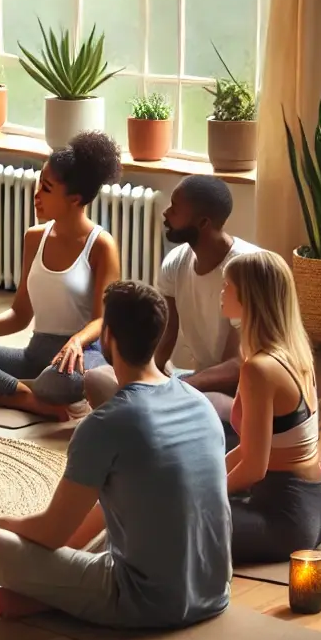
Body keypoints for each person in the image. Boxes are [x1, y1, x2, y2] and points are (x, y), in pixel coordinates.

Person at [0, 281, 231, 627]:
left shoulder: (105, 424)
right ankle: (58, 588)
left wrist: (2, 523)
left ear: (107, 337)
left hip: (147, 602)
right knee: (135, 505)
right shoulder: (199, 402)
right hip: (213, 589)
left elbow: (51, 533)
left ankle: (54, 594)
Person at [0, 131, 122, 420]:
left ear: (74, 199)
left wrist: (76, 341)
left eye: (47, 188)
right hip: (35, 356)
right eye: (38, 183)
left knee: (61, 382)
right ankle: (27, 398)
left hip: (78, 358)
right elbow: (19, 314)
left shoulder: (101, 245)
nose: (36, 194)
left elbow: (102, 319)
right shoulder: (34, 238)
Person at [85, 174, 257, 444]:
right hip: (192, 383)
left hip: (235, 396)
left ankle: (147, 433)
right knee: (97, 379)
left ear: (203, 223)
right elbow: (165, 335)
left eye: (175, 208)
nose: (166, 212)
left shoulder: (245, 269)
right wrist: (145, 377)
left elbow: (238, 366)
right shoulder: (176, 262)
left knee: (200, 406)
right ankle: (151, 432)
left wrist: (179, 387)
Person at [221, 251, 321, 563]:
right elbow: (249, 450)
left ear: (249, 297)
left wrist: (201, 494)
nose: (222, 291)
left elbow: (255, 467)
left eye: (228, 285)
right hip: (310, 507)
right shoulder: (292, 354)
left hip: (283, 520)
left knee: (170, 521)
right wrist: (206, 480)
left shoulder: (261, 368)